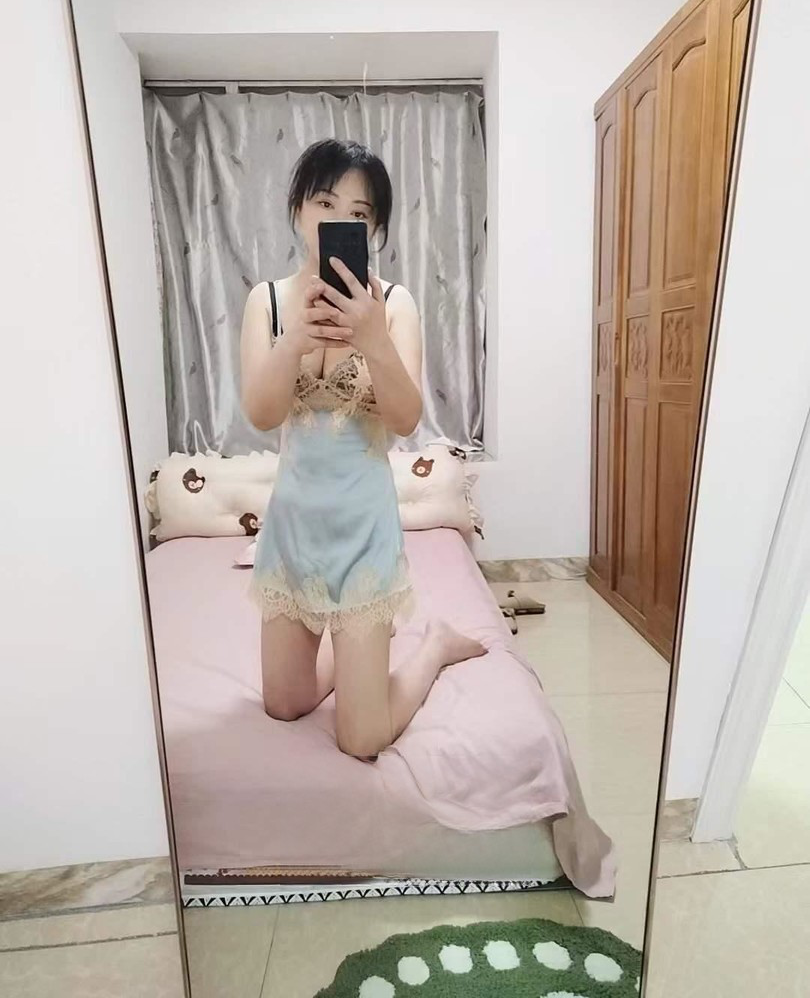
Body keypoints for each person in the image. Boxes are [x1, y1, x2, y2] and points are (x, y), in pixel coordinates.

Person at [240, 138, 485, 759]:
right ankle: (356, 672)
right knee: (284, 704)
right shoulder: (266, 302)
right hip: (292, 531)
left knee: (361, 738)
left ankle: (432, 646)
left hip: (362, 535)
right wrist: (293, 340)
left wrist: (373, 337)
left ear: (372, 229)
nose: (338, 220)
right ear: (298, 209)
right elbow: (262, 415)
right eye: (325, 203)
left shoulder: (394, 304)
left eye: (358, 213)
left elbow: (404, 420)